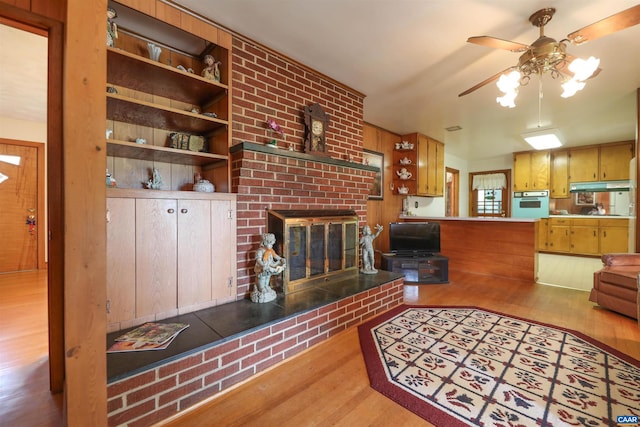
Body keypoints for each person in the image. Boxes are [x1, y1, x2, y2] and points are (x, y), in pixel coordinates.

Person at [252, 233, 286, 303]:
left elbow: (275, 256)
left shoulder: (271, 250)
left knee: (268, 277)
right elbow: (258, 260)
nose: (271, 246)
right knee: (262, 278)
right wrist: (262, 265)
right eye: (270, 244)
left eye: (272, 244)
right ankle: (261, 288)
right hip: (262, 268)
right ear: (264, 243)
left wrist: (281, 259)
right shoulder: (260, 251)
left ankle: (266, 286)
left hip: (269, 267)